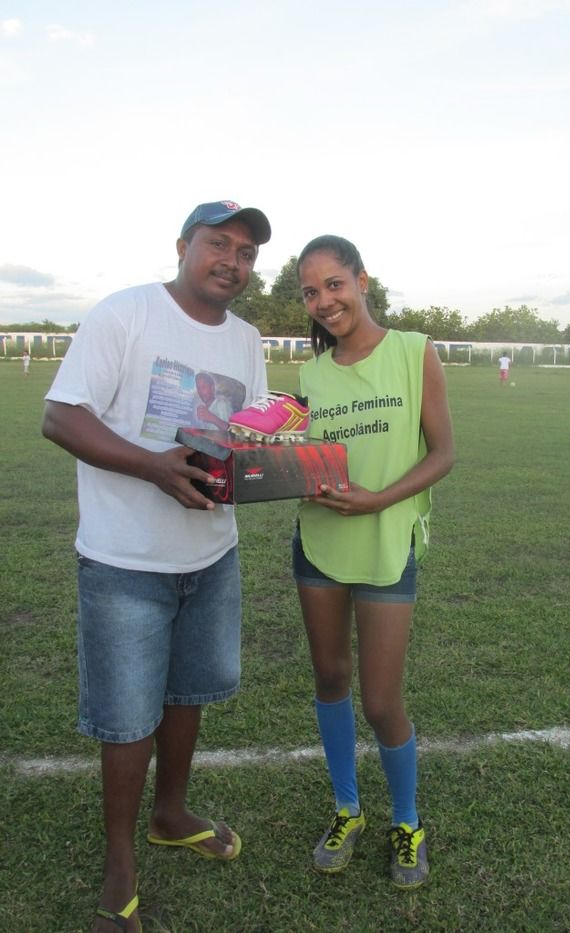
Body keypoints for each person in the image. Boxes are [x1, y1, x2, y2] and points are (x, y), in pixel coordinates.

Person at [41, 199, 271, 932]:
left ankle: (170, 813)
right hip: (125, 558)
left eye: (245, 252)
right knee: (126, 714)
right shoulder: (126, 314)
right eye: (218, 243)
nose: (230, 260)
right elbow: (62, 415)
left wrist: (282, 460)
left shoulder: (248, 339)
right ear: (183, 245)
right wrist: (154, 468)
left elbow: (248, 433)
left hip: (211, 553)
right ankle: (119, 860)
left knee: (187, 692)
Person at [292, 235, 454, 888]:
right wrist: (290, 474)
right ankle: (347, 808)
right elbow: (306, 459)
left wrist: (377, 501)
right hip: (319, 545)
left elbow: (442, 453)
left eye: (334, 283)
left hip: (386, 543)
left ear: (362, 279)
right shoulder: (310, 374)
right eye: (310, 291)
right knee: (331, 674)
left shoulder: (415, 352)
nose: (324, 300)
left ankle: (408, 820)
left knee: (384, 700)